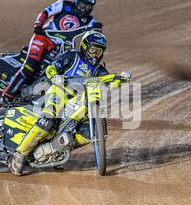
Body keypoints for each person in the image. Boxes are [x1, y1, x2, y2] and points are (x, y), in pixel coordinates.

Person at [9, 31, 127, 175]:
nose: (95, 54)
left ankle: (57, 149)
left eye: (99, 51)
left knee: (90, 133)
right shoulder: (72, 55)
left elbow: (109, 84)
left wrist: (120, 80)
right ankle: (18, 154)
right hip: (60, 91)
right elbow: (51, 68)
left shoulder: (99, 70)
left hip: (82, 101)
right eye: (93, 50)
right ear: (84, 46)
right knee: (48, 120)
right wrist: (55, 77)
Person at [2, 0, 103, 101]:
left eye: (89, 6)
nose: (85, 8)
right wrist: (38, 25)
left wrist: (98, 30)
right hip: (44, 38)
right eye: (83, 4)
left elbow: (95, 37)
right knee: (30, 66)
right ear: (76, 0)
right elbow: (45, 13)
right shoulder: (64, 4)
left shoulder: (90, 21)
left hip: (62, 48)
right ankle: (6, 95)